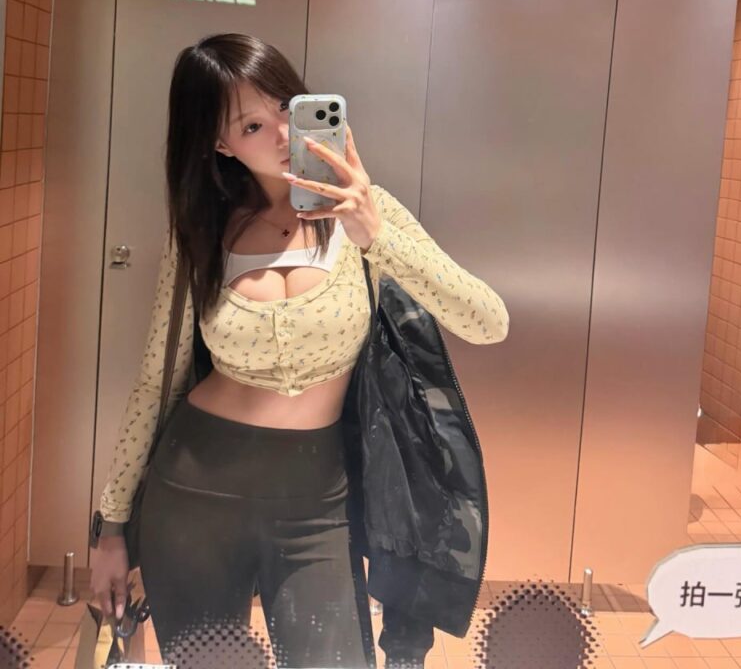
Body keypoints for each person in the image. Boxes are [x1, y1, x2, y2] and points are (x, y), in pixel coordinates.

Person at [90, 33, 509, 669]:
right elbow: (157, 379)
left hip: (317, 499)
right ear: (220, 144)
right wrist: (112, 527)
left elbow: (487, 321)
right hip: (195, 491)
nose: (285, 133)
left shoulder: (367, 211)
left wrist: (375, 235)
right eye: (253, 125)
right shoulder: (202, 230)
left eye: (289, 106)